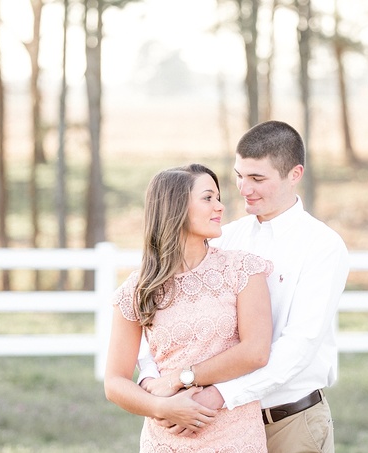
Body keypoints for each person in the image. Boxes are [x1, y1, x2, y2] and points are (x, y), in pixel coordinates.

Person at [139, 121, 350, 452]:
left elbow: (297, 347)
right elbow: (160, 313)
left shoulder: (322, 246)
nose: (243, 188)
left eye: (257, 178)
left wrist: (217, 394)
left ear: (294, 175)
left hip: (288, 422)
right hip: (220, 425)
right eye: (239, 175)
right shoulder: (228, 235)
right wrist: (154, 385)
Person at [104, 163, 274, 452]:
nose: (219, 206)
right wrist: (161, 407)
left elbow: (255, 352)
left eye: (218, 198)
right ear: (175, 207)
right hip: (166, 441)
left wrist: (181, 377)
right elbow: (115, 382)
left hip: (235, 436)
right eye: (208, 198)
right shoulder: (138, 288)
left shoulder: (242, 269)